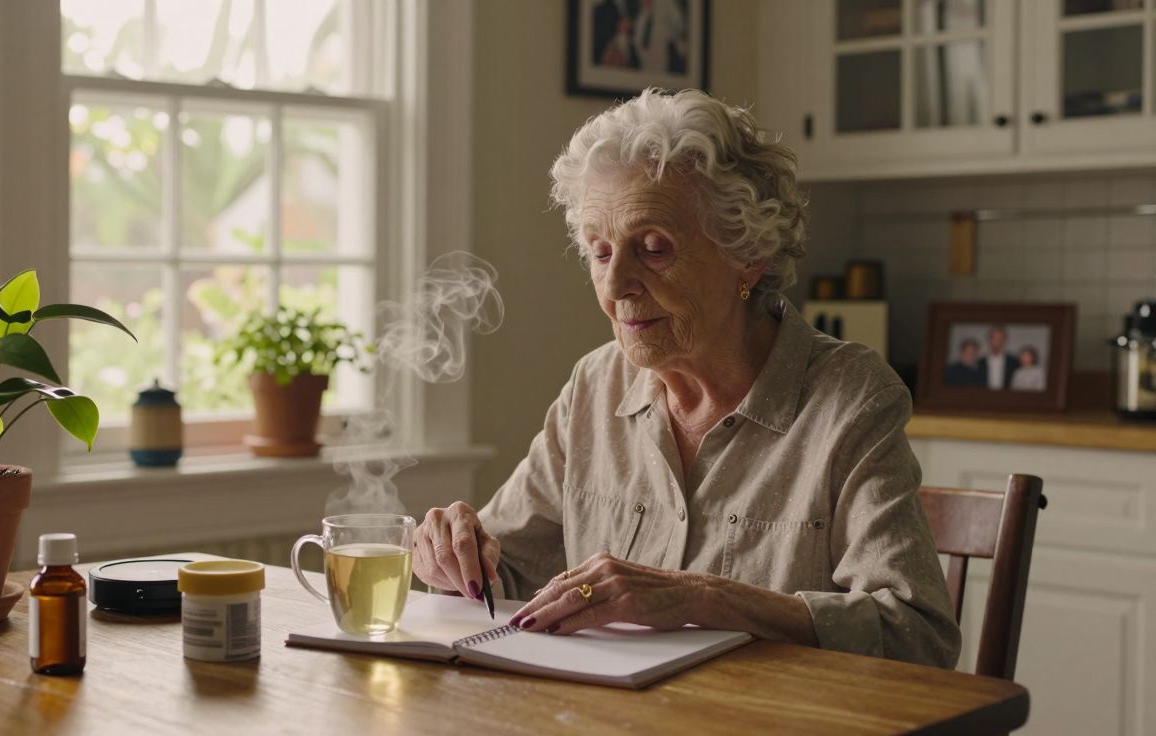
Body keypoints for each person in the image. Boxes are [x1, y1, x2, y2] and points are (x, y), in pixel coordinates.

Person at [411, 89, 959, 669]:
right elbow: (506, 571)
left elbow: (917, 637)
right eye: (600, 253)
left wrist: (702, 597)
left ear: (748, 253)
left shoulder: (849, 398)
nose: (617, 284)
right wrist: (453, 556)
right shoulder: (595, 387)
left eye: (653, 248)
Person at [980, 325, 1019, 390]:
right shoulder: (980, 362)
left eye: (1000, 338)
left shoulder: (1014, 362)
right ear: (989, 340)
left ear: (1005, 340)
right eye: (994, 338)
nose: (997, 341)